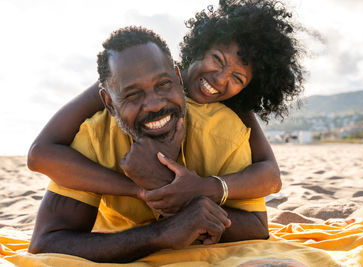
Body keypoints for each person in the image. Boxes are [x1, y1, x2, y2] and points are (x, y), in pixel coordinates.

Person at [27, 0, 303, 216]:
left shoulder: (234, 110)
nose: (220, 79)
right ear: (200, 46)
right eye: (217, 60)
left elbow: (271, 177)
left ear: (248, 89)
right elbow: (41, 153)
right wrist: (138, 190)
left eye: (238, 78)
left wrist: (202, 188)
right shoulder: (138, 76)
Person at [28, 26, 269, 263]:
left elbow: (259, 221)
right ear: (109, 103)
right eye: (132, 94)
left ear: (177, 77)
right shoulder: (94, 136)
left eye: (163, 84)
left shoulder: (225, 132)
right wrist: (160, 231)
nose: (154, 104)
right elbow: (45, 243)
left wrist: (189, 193)